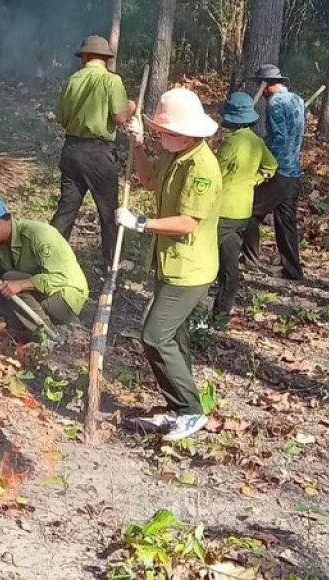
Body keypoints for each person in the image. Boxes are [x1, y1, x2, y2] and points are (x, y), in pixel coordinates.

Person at [115, 88, 222, 442]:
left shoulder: (202, 167)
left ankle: (191, 411)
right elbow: (147, 180)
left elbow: (188, 222)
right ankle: (180, 409)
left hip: (189, 270)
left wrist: (141, 223)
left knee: (154, 335)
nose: (162, 137)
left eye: (165, 133)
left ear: (187, 133)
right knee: (174, 335)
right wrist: (140, 145)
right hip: (168, 263)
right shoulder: (176, 155)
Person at [50, 35, 136, 265]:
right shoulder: (112, 81)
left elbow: (62, 118)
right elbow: (119, 118)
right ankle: (113, 261)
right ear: (106, 59)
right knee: (108, 211)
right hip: (99, 154)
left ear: (84, 57)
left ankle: (48, 255)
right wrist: (131, 107)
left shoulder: (71, 81)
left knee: (66, 208)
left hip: (72, 149)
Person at [0, 198, 89, 339]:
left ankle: (48, 335)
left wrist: (22, 284)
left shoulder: (39, 235)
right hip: (40, 296)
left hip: (65, 297)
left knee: (10, 279)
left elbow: (60, 278)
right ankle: (21, 328)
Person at [212, 92, 277, 326]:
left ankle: (190, 311)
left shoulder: (231, 142)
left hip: (223, 210)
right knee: (230, 266)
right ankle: (219, 318)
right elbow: (271, 165)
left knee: (205, 258)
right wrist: (254, 179)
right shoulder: (256, 140)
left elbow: (215, 174)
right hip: (243, 211)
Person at [242, 64, 306, 281]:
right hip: (294, 172)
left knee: (250, 212)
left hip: (280, 171)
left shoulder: (275, 103)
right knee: (285, 221)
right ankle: (293, 270)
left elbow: (279, 138)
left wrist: (265, 163)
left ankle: (250, 261)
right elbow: (291, 135)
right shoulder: (296, 99)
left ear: (266, 86)